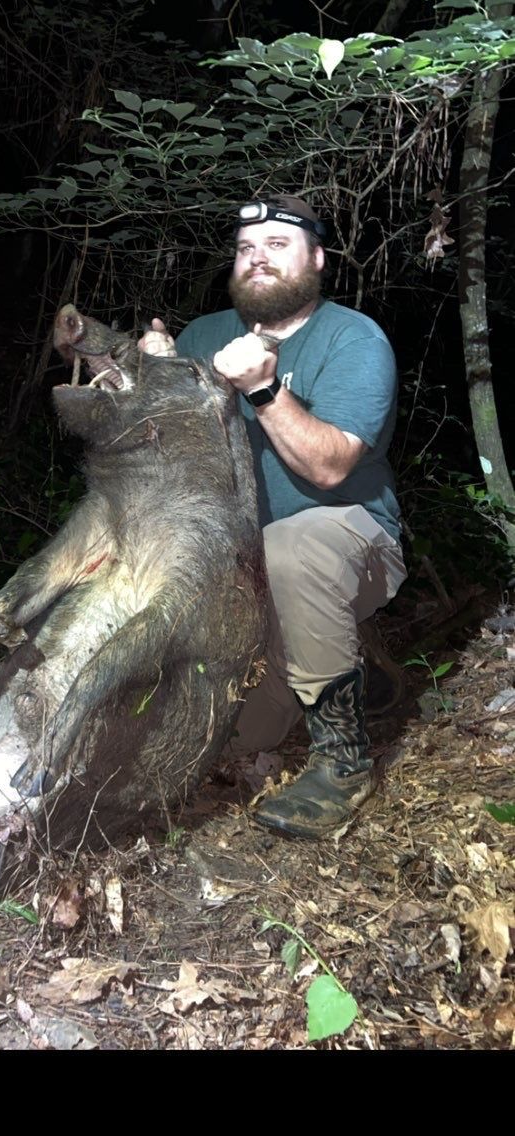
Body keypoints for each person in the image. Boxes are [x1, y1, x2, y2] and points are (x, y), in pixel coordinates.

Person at [139, 193, 407, 839]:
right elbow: (161, 438)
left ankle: (343, 764)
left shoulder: (353, 339)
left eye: (277, 246)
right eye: (245, 249)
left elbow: (330, 468)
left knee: (298, 545)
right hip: (242, 565)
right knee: (234, 737)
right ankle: (352, 666)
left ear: (316, 258)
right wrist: (138, 371)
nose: (257, 259)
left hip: (347, 535)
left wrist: (262, 390)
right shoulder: (204, 336)